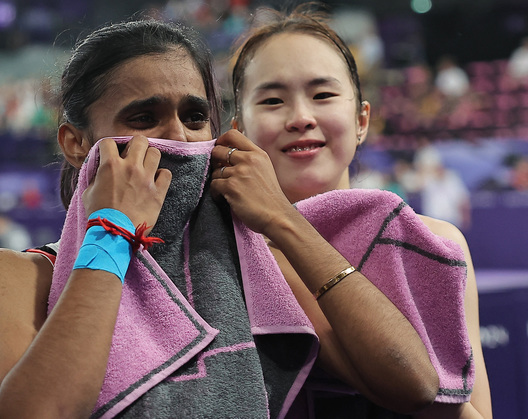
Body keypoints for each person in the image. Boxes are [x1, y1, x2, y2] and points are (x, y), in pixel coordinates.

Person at [0, 16, 439, 419]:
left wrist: (280, 220)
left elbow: (413, 383)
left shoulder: (251, 264)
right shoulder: (15, 277)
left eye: (195, 117)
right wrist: (111, 230)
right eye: (144, 118)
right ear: (76, 143)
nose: (180, 138)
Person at [209, 4, 491, 418]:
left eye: (322, 95)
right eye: (272, 100)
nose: (301, 117)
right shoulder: (213, 252)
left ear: (362, 120)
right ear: (240, 128)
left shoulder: (437, 242)